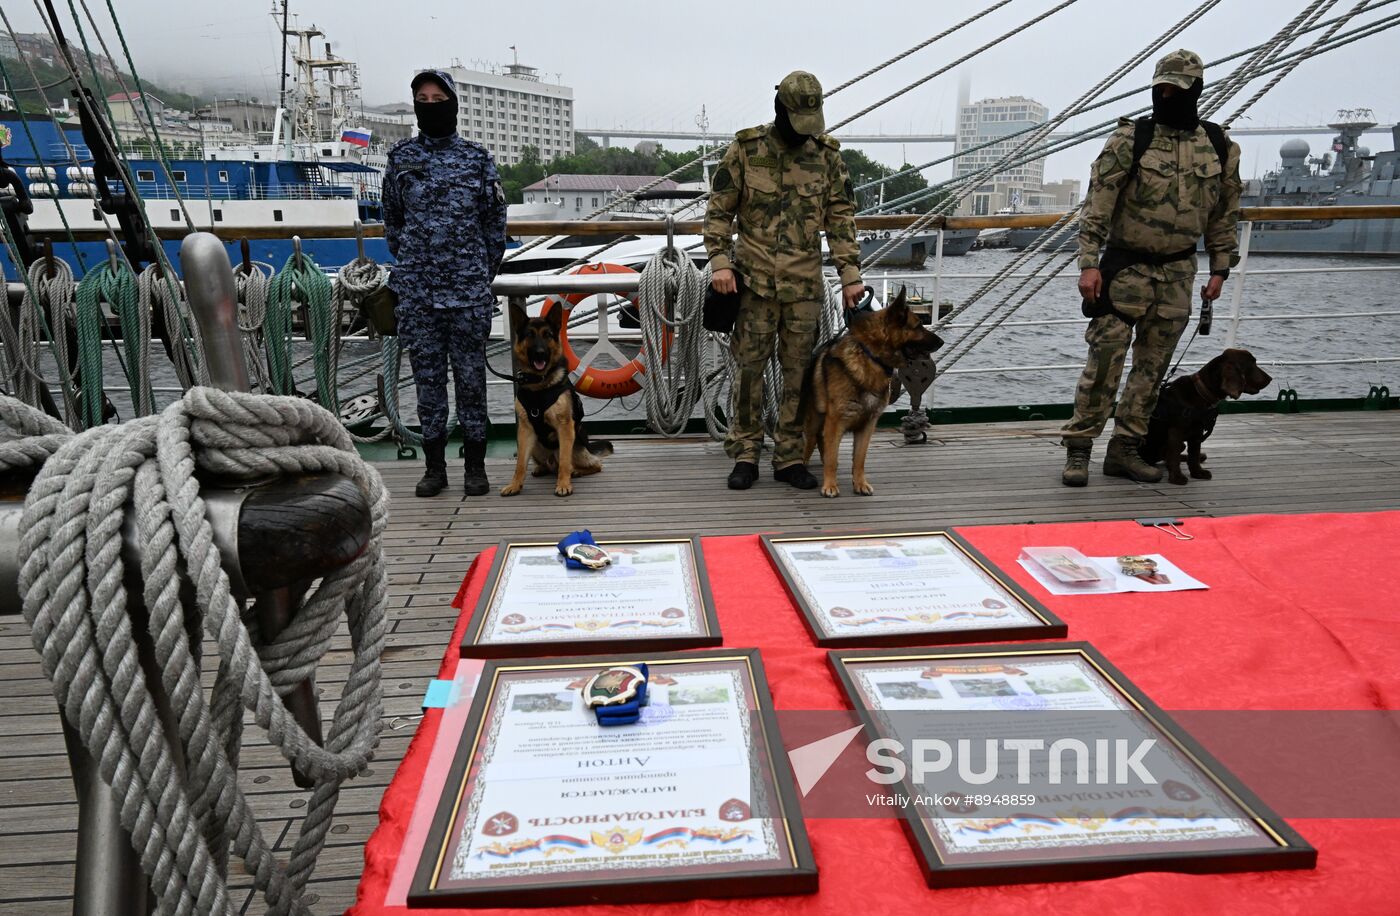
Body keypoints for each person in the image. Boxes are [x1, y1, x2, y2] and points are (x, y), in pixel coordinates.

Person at [1061, 49, 1242, 487]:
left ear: (1195, 90)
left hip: (1179, 275)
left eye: (1176, 90)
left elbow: (1224, 212)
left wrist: (1220, 268)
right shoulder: (1129, 141)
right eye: (1160, 89)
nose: (1167, 96)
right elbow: (1097, 206)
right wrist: (1089, 264)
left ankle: (1124, 451)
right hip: (1125, 272)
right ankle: (1079, 450)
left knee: (1152, 368)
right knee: (1104, 363)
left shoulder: (1219, 146)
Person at [704, 70, 866, 492]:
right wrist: (720, 262)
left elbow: (841, 218)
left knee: (798, 375)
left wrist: (850, 275)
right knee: (748, 372)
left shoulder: (828, 157)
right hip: (753, 283)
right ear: (780, 109)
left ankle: (790, 455)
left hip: (803, 287)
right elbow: (718, 212)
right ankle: (745, 452)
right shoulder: (745, 150)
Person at [382, 70, 508, 498]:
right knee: (428, 383)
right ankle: (434, 468)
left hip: (467, 292)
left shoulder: (476, 159)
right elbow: (392, 223)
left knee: (472, 381)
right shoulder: (401, 158)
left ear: (453, 103)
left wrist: (475, 272)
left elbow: (495, 226)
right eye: (422, 97)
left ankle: (475, 466)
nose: (430, 104)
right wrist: (418, 264)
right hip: (418, 293)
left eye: (438, 97)